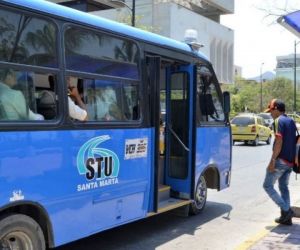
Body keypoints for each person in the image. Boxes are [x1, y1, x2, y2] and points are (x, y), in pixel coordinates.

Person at [263, 99, 296, 225]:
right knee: (283, 187)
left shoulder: (278, 121)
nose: (270, 113)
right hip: (290, 161)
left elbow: (279, 141)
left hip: (280, 160)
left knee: (267, 186)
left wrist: (272, 161)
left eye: (271, 110)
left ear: (276, 109)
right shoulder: (291, 121)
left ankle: (287, 211)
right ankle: (286, 218)